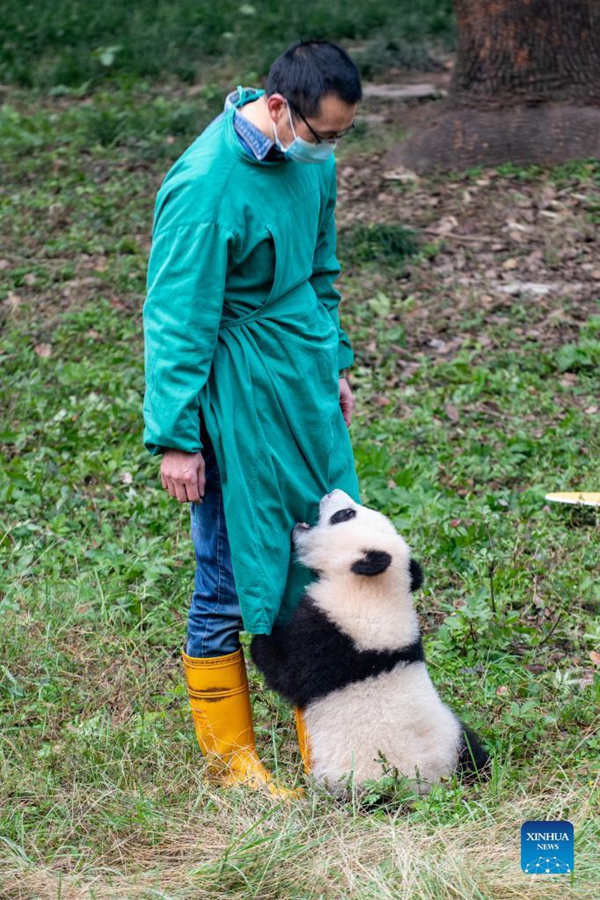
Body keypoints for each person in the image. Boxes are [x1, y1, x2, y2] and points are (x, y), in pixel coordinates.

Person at [143, 40, 362, 794]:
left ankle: (321, 730)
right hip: (234, 392)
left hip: (299, 378)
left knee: (318, 550)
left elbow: (322, 269)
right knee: (228, 571)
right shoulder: (205, 185)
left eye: (340, 135)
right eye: (321, 133)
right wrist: (177, 437)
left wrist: (330, 360)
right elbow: (176, 317)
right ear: (277, 107)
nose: (329, 150)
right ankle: (230, 762)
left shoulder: (314, 161)